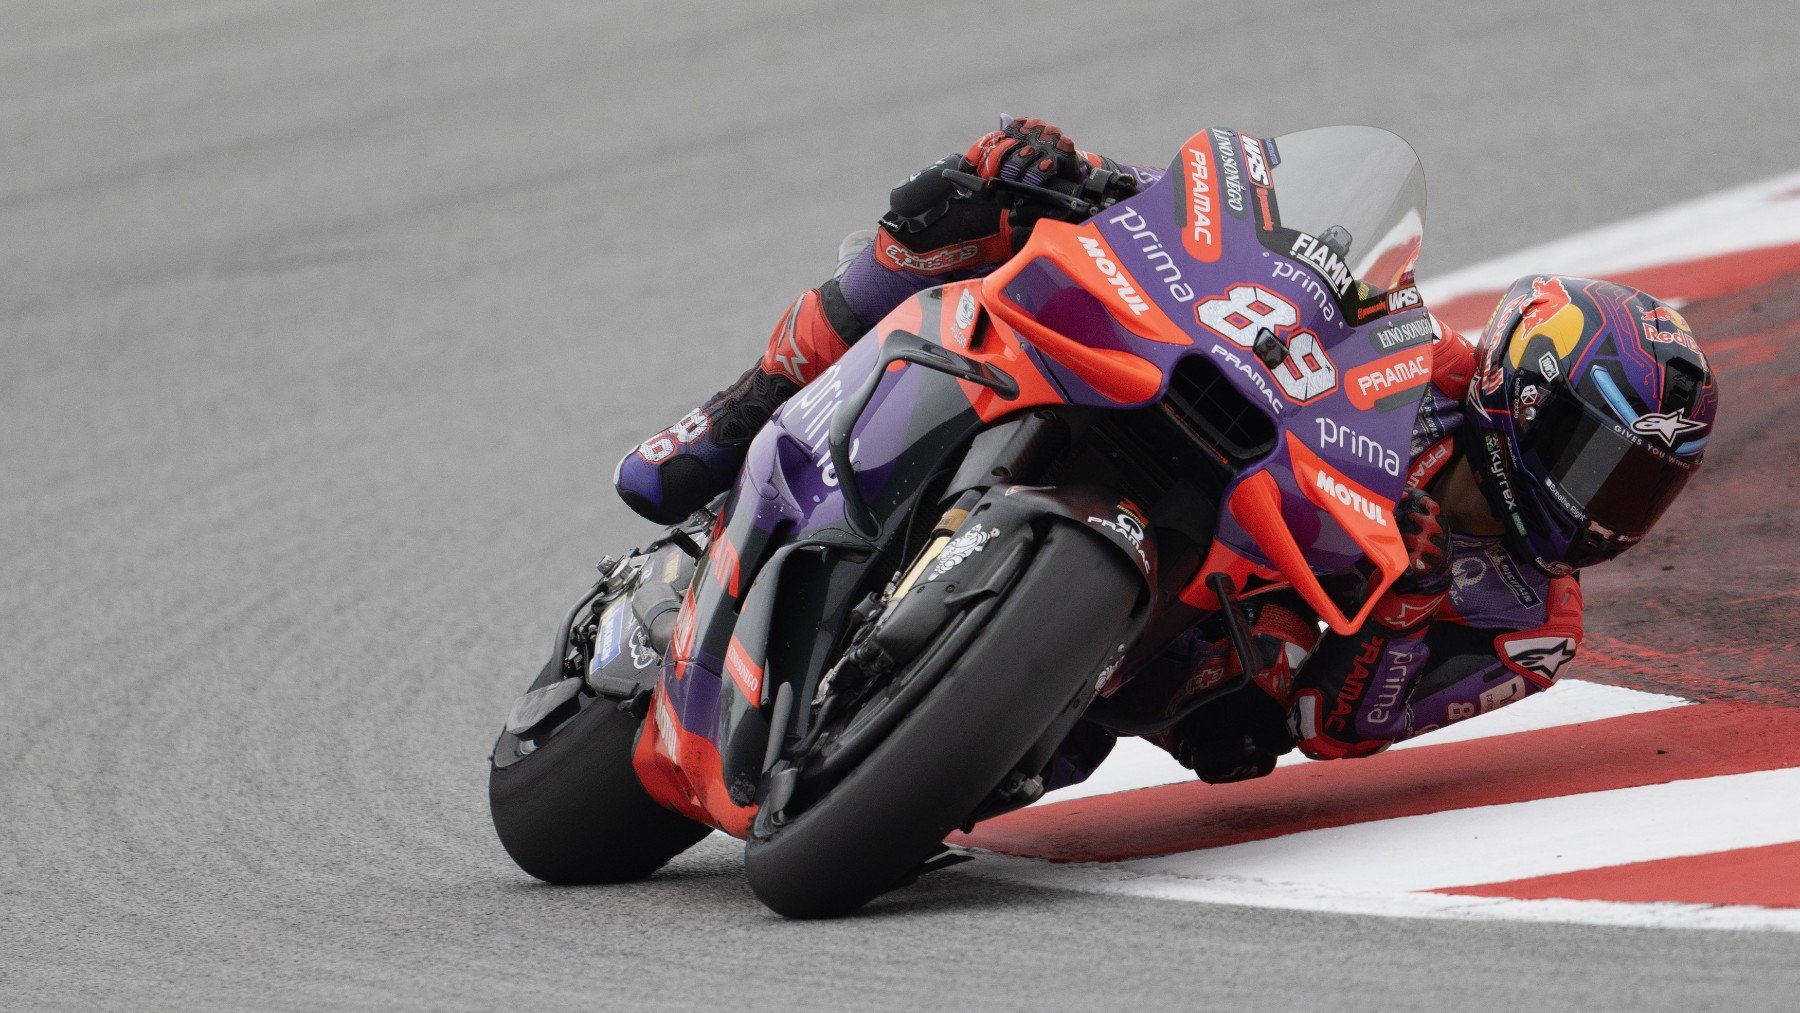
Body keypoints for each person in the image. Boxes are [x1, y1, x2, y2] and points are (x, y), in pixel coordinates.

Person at [611, 118, 1719, 783]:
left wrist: (1408, 605)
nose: (1604, 510)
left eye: (1640, 488)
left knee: (1225, 728)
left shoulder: (1538, 624)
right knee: (980, 189)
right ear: (1520, 389)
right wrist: (1098, 180)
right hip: (1205, 446)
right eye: (1592, 459)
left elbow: (1346, 732)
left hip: (1207, 649)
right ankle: (743, 413)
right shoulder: (1422, 360)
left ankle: (953, 724)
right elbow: (1274, 275)